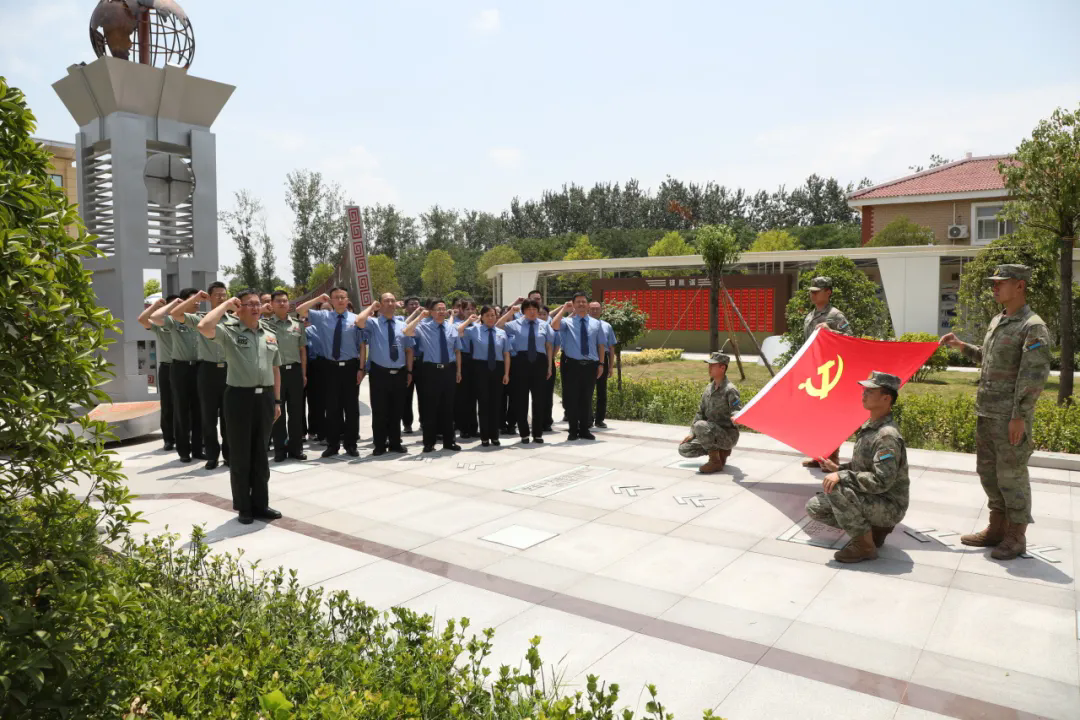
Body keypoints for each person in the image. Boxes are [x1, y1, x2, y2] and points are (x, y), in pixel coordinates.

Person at [941, 264, 1051, 560]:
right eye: (994, 282)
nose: (995, 287)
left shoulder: (1033, 326)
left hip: (1010, 418)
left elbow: (1033, 378)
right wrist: (961, 346)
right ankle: (996, 528)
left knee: (1012, 476)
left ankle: (1016, 536)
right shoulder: (998, 320)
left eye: (1001, 282)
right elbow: (988, 359)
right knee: (988, 474)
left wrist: (1019, 416)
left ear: (1020, 286)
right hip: (987, 413)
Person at [196, 290, 282, 525]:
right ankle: (244, 506)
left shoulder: (270, 334)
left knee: (261, 454)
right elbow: (204, 326)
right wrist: (224, 305)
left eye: (257, 304)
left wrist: (276, 401)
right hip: (238, 397)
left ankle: (261, 504)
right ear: (240, 308)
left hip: (264, 397)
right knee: (241, 453)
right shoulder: (229, 332)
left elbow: (276, 369)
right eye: (250, 304)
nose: (256, 308)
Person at [806, 371, 910, 563]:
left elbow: (881, 481)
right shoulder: (871, 427)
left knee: (836, 489)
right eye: (864, 389)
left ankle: (865, 546)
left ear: (886, 398)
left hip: (888, 504)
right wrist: (837, 468)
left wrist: (842, 476)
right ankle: (874, 531)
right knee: (815, 507)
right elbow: (864, 466)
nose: (864, 394)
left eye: (870, 391)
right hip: (873, 498)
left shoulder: (886, 436)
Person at [298, 287, 364, 458]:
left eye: (343, 297)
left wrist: (362, 368)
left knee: (351, 408)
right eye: (337, 297)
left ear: (348, 300)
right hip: (330, 367)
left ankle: (351, 444)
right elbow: (300, 310)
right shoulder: (323, 317)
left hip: (350, 367)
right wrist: (317, 298)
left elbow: (362, 345)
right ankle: (332, 445)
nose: (340, 300)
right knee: (332, 408)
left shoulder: (356, 319)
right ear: (331, 301)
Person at [172, 281, 231, 470]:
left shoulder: (234, 320)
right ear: (209, 297)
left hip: (230, 370)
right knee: (208, 417)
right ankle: (212, 455)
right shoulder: (200, 318)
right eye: (217, 295)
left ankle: (229, 455)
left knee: (229, 417)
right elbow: (175, 314)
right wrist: (196, 297)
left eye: (224, 295)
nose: (221, 298)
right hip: (207, 371)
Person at [801, 276, 853, 468]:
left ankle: (832, 458)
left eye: (817, 290)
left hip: (830, 372)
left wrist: (831, 331)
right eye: (811, 291)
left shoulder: (836, 316)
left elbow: (850, 338)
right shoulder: (810, 315)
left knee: (830, 416)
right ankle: (818, 455)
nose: (812, 294)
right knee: (815, 415)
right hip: (813, 370)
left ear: (828, 292)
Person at [150, 289, 203, 462]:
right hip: (180, 368)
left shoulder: (202, 319)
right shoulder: (173, 320)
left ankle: (197, 448)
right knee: (181, 409)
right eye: (193, 299)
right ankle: (183, 451)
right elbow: (155, 318)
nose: (197, 302)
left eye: (198, 299)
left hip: (199, 367)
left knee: (199, 411)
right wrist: (174, 303)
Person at [356, 293, 411, 456]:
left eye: (392, 300)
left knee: (397, 410)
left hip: (400, 373)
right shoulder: (373, 323)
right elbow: (359, 321)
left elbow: (408, 349)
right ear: (380, 304)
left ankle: (395, 442)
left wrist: (409, 371)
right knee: (380, 410)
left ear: (396, 304)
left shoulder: (402, 324)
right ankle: (379, 444)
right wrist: (372, 308)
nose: (390, 303)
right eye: (386, 301)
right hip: (379, 372)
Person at [404, 300, 461, 453]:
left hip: (449, 370)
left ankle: (449, 441)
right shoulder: (423, 327)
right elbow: (407, 331)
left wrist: (458, 371)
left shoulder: (452, 327)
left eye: (443, 309)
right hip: (430, 371)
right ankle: (429, 442)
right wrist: (420, 316)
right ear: (431, 312)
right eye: (438, 309)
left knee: (448, 407)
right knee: (430, 407)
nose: (441, 311)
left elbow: (457, 350)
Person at [551, 293, 606, 441]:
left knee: (586, 399)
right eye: (578, 302)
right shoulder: (567, 322)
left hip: (590, 366)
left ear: (587, 305)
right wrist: (564, 309)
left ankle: (584, 430)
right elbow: (554, 325)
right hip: (572, 365)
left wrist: (601, 364)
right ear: (573, 305)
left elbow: (601, 345)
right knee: (572, 399)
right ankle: (573, 430)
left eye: (584, 302)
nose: (581, 304)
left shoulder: (596, 323)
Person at [678, 352, 741, 473]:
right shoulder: (708, 389)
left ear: (722, 368)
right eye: (709, 365)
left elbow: (737, 410)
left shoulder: (730, 389)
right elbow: (700, 412)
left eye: (713, 366)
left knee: (700, 425)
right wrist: (692, 433)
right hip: (710, 432)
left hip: (727, 435)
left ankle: (715, 461)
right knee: (684, 449)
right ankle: (720, 452)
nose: (709, 368)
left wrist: (736, 418)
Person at [263, 291, 308, 462]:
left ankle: (296, 449)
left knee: (297, 412)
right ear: (272, 304)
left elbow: (302, 351)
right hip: (276, 372)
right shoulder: (265, 324)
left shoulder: (297, 325)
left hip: (295, 372)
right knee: (278, 412)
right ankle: (280, 450)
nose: (282, 304)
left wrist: (303, 374)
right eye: (278, 301)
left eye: (285, 301)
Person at [502, 299, 554, 443]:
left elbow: (549, 347)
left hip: (540, 362)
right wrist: (510, 312)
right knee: (521, 399)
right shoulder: (515, 324)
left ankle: (538, 433)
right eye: (529, 309)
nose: (532, 312)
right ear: (523, 311)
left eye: (534, 309)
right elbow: (498, 325)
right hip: (521, 362)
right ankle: (524, 433)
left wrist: (549, 366)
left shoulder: (545, 325)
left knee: (539, 400)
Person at [459, 307, 511, 447]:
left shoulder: (502, 333)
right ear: (481, 317)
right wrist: (469, 321)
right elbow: (458, 331)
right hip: (480, 368)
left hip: (498, 369)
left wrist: (506, 373)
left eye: (493, 315)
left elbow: (506, 354)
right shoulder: (474, 330)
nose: (490, 318)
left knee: (496, 404)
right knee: (483, 404)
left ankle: (494, 436)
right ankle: (484, 437)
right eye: (487, 315)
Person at [138, 294, 178, 451]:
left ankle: (188, 436)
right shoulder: (162, 325)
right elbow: (142, 320)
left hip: (187, 367)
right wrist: (155, 306)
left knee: (188, 405)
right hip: (168, 367)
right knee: (168, 404)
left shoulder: (189, 323)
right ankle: (169, 438)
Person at [587, 301, 617, 429]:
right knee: (587, 391)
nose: (594, 311)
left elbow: (611, 347)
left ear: (601, 310)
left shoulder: (606, 326)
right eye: (592, 309)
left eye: (597, 309)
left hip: (602, 359)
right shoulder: (584, 325)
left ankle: (600, 419)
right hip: (588, 359)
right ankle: (588, 419)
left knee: (601, 391)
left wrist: (610, 366)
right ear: (588, 310)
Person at [454, 298, 479, 439]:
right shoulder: (458, 323)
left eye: (472, 309)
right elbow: (458, 332)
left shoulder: (478, 324)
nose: (470, 312)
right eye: (467, 309)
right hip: (462, 359)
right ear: (461, 310)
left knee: (474, 396)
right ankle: (463, 428)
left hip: (476, 360)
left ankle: (474, 427)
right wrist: (469, 321)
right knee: (463, 396)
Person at [401, 296, 422, 433]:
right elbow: (404, 329)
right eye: (411, 304)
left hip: (421, 362)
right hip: (407, 362)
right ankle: (407, 423)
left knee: (424, 395)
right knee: (406, 395)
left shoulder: (425, 322)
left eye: (417, 304)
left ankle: (424, 422)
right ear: (406, 307)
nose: (415, 306)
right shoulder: (401, 321)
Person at [304, 313, 325, 442]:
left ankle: (326, 431)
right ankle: (313, 430)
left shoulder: (329, 329)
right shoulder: (308, 331)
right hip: (312, 366)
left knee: (327, 401)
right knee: (313, 400)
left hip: (328, 365)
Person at [540, 305, 558, 432]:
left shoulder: (552, 329)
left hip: (548, 362)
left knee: (547, 395)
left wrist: (549, 361)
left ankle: (547, 421)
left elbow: (556, 347)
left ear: (548, 316)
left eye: (544, 314)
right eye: (539, 314)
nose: (541, 316)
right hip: (533, 363)